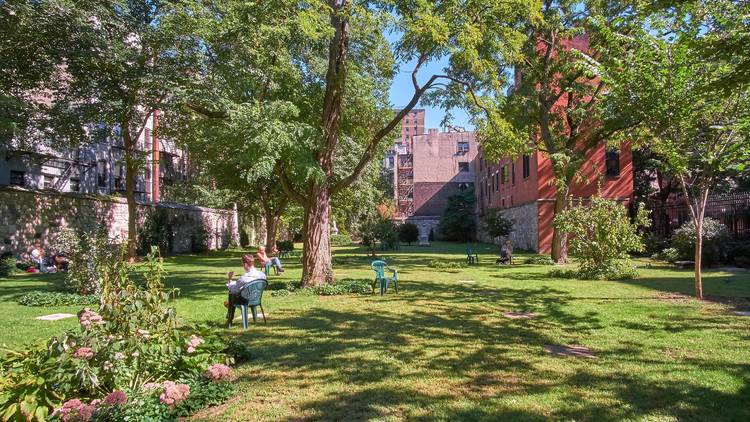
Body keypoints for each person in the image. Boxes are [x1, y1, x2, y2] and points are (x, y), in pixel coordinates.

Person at [224, 254, 267, 327]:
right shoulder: (262, 275)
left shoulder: (244, 278)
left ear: (245, 264)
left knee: (231, 294)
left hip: (245, 300)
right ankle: (230, 313)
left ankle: (230, 320)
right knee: (233, 295)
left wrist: (230, 279)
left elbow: (233, 289)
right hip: (256, 298)